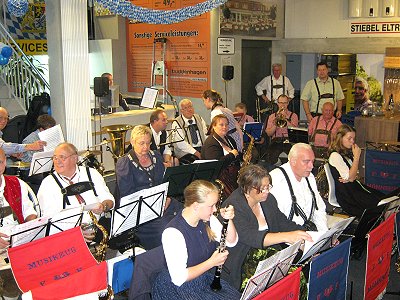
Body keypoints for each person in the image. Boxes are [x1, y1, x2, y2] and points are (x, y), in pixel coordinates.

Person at [222, 164, 312, 290]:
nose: (267, 191)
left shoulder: (268, 199)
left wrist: (308, 236)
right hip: (243, 261)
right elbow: (252, 237)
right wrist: (287, 237)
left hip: (268, 255)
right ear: (247, 188)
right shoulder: (233, 206)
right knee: (291, 278)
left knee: (296, 275)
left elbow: (282, 222)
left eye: (268, 186)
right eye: (262, 188)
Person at [152, 180, 241, 300]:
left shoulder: (207, 219)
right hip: (180, 288)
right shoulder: (173, 233)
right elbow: (179, 278)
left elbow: (232, 241)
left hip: (203, 279)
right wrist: (212, 262)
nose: (215, 209)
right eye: (211, 206)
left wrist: (228, 220)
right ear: (195, 206)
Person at [116, 125, 181, 249]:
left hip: (161, 202)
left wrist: (166, 199)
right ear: (132, 142)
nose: (145, 147)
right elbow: (127, 195)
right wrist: (154, 204)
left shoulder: (156, 155)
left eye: (148, 143)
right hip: (141, 210)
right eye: (141, 143)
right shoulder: (124, 162)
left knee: (187, 214)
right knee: (167, 228)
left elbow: (164, 182)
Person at [328, 124, 400, 217]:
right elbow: (352, 177)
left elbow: (353, 176)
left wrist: (351, 176)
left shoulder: (345, 153)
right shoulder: (335, 156)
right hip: (349, 196)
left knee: (385, 198)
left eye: (353, 139)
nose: (352, 141)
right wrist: (356, 158)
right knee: (380, 204)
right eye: (349, 138)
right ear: (340, 138)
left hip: (355, 189)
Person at [37, 142, 114, 225]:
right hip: (68, 232)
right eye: (55, 158)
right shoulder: (47, 184)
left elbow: (109, 199)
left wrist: (103, 206)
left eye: (62, 157)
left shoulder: (92, 173)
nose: (57, 161)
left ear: (75, 158)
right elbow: (49, 219)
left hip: (98, 224)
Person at [0, 147, 37, 299]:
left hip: (18, 241)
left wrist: (31, 226)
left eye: (0, 162)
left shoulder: (16, 183)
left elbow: (29, 211)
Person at [269, 143, 328, 231]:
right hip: (286, 235)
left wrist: (324, 235)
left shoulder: (310, 177)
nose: (311, 166)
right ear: (293, 161)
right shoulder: (276, 179)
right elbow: (275, 220)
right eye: (306, 161)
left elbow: (318, 210)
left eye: (312, 161)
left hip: (306, 231)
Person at [201, 114, 240, 196]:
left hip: (232, 175)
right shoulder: (211, 143)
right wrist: (232, 155)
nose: (224, 127)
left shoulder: (229, 139)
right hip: (219, 178)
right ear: (214, 126)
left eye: (226, 124)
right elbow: (216, 164)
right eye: (221, 125)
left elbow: (236, 155)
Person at [264, 94, 299, 165]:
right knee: (269, 157)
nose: (283, 105)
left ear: (288, 103)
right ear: (277, 103)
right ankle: (279, 164)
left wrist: (285, 119)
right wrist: (275, 122)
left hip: (289, 141)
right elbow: (269, 133)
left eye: (285, 103)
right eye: (281, 103)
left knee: (294, 158)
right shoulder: (272, 116)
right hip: (276, 141)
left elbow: (295, 131)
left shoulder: (294, 115)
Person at [170, 99, 208, 164]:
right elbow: (181, 143)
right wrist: (196, 153)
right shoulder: (176, 122)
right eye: (185, 108)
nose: (189, 109)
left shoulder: (199, 118)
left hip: (201, 148)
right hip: (186, 151)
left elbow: (206, 135)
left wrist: (206, 148)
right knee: (195, 162)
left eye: (190, 107)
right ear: (181, 111)